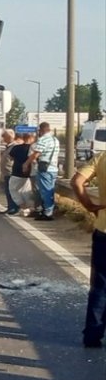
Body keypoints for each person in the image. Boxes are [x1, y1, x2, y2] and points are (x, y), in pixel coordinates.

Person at [71, 149, 106, 348]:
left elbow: (76, 182)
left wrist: (90, 206)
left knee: (101, 285)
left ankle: (92, 335)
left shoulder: (102, 157)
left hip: (104, 229)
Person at [27, 122, 60, 221]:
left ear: (40, 130)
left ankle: (48, 213)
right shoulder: (55, 140)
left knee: (45, 192)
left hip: (44, 168)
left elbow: (36, 154)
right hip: (54, 168)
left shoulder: (43, 139)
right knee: (50, 190)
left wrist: (26, 163)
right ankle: (48, 210)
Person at [6, 133, 37, 216]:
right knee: (26, 191)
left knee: (12, 189)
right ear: (31, 139)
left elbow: (11, 157)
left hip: (16, 171)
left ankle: (22, 206)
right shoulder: (32, 148)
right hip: (28, 173)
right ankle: (31, 207)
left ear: (23, 138)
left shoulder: (16, 147)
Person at [0, 129, 16, 212]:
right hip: (6, 172)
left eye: (4, 136)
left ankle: (13, 208)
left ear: (9, 137)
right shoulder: (8, 146)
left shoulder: (14, 147)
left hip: (10, 172)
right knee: (7, 191)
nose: (2, 138)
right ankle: (10, 207)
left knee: (11, 191)